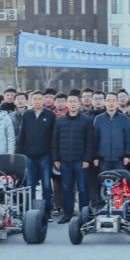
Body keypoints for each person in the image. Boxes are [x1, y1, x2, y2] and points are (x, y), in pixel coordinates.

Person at [50, 92, 93, 223]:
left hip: (80, 161)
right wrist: (56, 158)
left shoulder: (86, 120)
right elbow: (54, 141)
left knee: (83, 189)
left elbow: (90, 142)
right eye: (70, 102)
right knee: (67, 188)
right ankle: (67, 214)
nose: (73, 104)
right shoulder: (60, 121)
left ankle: (84, 215)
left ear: (78, 103)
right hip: (65, 161)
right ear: (67, 104)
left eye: (75, 101)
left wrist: (87, 159)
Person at [17, 91, 56, 215]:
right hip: (29, 156)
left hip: (45, 155)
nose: (37, 101)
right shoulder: (26, 115)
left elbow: (54, 137)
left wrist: (54, 156)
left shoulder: (50, 115)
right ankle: (30, 212)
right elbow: (22, 135)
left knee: (46, 185)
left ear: (43, 100)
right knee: (30, 185)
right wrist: (19, 154)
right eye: (35, 99)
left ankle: (47, 212)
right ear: (31, 100)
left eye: (40, 99)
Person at [90, 93, 130, 207]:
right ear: (105, 103)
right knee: (106, 184)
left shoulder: (124, 119)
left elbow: (128, 138)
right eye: (109, 100)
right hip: (104, 159)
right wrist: (95, 156)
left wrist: (127, 155)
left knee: (119, 183)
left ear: (117, 103)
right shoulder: (99, 119)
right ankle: (106, 206)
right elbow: (95, 139)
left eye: (114, 100)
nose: (111, 103)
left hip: (119, 159)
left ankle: (118, 207)